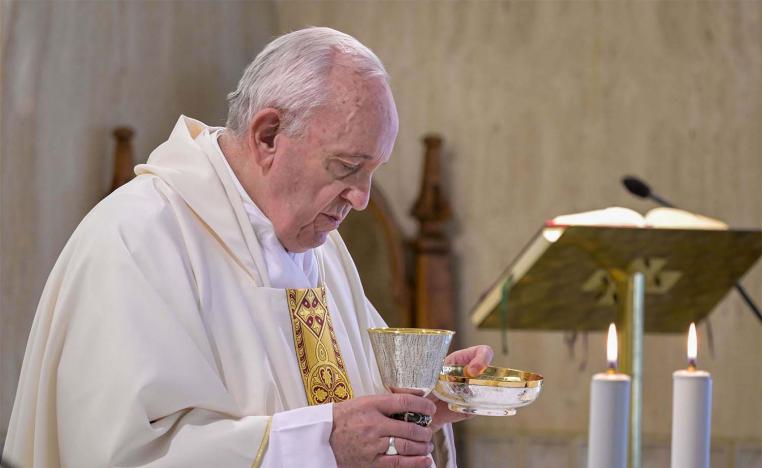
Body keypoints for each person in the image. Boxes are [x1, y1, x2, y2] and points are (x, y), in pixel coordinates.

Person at [3, 27, 493, 468]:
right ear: (268, 136)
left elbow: (352, 409)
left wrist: (415, 406)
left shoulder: (323, 253)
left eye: (372, 173)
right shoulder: (137, 240)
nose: (361, 199)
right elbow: (123, 457)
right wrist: (322, 443)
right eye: (347, 168)